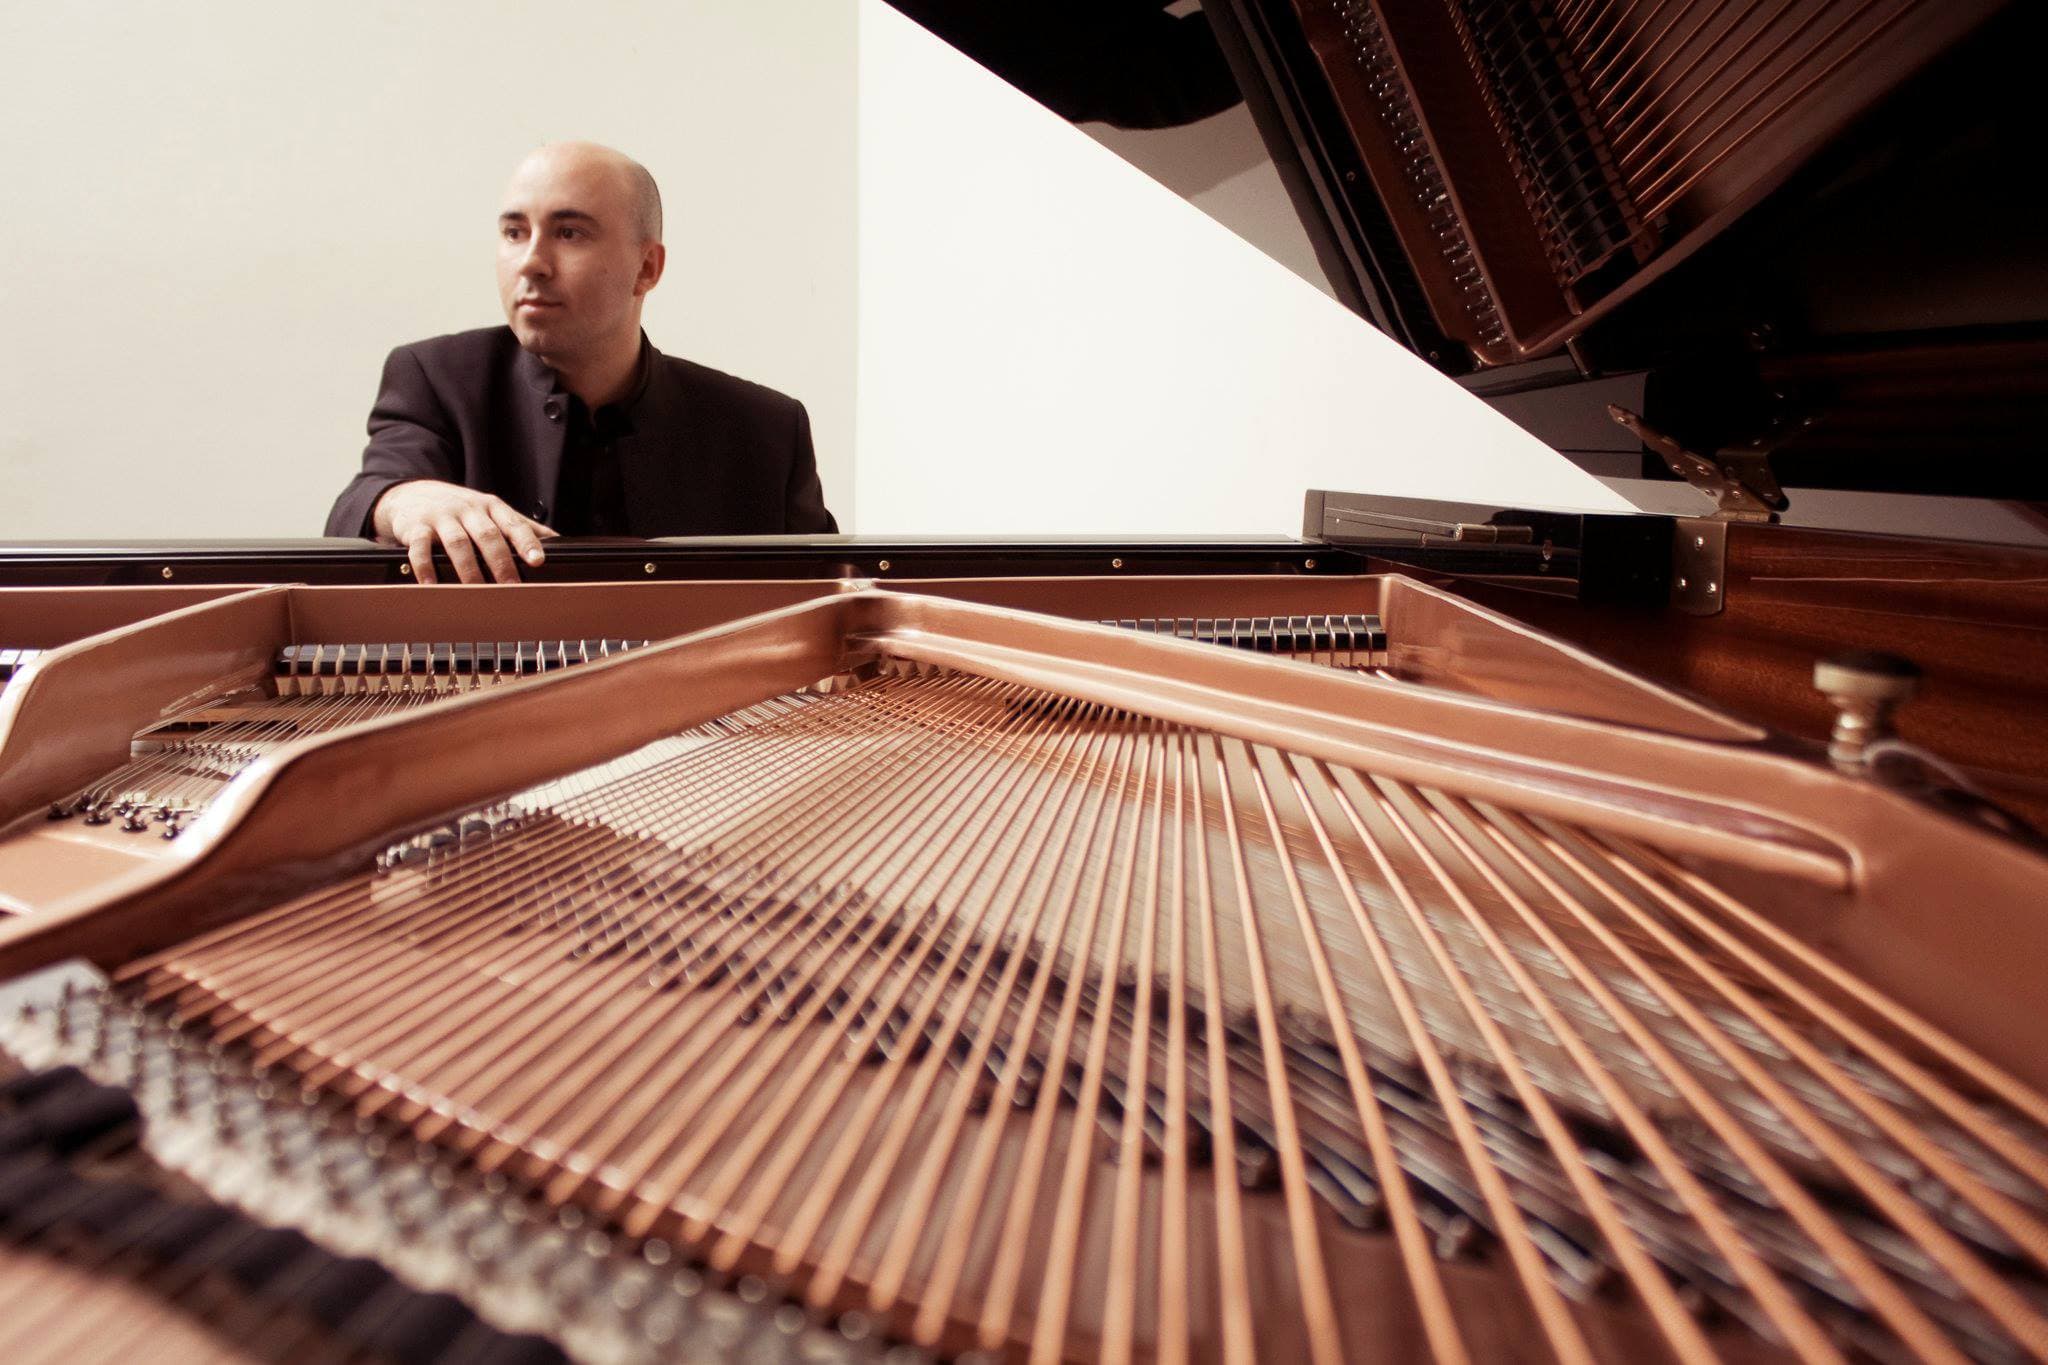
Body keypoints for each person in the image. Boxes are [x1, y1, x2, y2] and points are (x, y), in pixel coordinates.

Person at [325, 141, 836, 583]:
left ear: (647, 267)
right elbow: (370, 494)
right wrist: (403, 500)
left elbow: (840, 607)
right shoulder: (434, 377)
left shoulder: (765, 430)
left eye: (569, 233)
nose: (531, 261)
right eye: (514, 232)